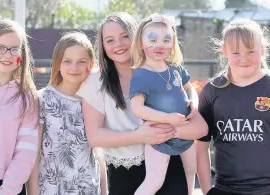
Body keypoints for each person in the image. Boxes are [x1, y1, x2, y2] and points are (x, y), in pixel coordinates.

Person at [77, 12, 208, 195]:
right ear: (103, 45)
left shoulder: (160, 70)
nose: (119, 44)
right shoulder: (95, 81)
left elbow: (200, 127)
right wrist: (141, 135)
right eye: (110, 40)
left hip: (169, 160)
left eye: (125, 36)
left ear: (138, 38)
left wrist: (182, 115)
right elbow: (95, 137)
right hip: (125, 173)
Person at [130, 13, 208, 195]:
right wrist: (167, 118)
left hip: (185, 133)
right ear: (141, 44)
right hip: (159, 136)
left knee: (190, 172)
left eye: (166, 40)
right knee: (155, 180)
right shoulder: (141, 74)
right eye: (153, 39)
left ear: (173, 45)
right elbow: (137, 108)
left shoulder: (176, 69)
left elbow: (190, 89)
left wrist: (193, 104)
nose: (160, 45)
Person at [196, 19, 270, 195]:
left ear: (262, 49)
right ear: (224, 51)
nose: (243, 58)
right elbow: (201, 147)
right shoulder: (212, 90)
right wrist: (207, 190)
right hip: (224, 189)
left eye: (251, 51)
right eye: (236, 52)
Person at [27, 32, 105, 195]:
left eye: (81, 62)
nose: (74, 68)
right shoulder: (42, 99)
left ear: (90, 64)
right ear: (58, 64)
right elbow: (33, 157)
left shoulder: (95, 101)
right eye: (67, 61)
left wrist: (104, 191)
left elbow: (100, 156)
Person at [0, 19, 38, 195]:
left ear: (22, 53)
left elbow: (26, 150)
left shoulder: (28, 97)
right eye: (0, 47)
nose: (7, 55)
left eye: (14, 49)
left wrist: (7, 191)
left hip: (11, 188)